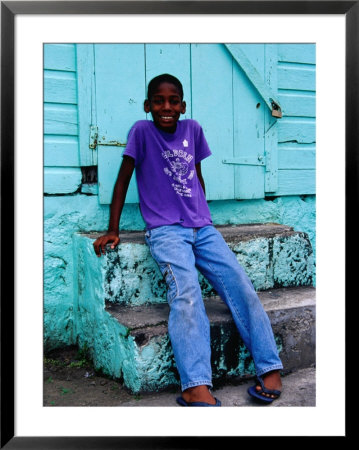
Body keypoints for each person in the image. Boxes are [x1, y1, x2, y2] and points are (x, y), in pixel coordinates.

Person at [93, 74, 283, 406]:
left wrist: (202, 214)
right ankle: (195, 384)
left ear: (182, 105)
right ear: (148, 105)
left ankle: (269, 366)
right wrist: (114, 229)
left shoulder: (193, 129)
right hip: (166, 231)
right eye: (158, 101)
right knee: (187, 293)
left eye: (173, 101)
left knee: (239, 284)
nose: (166, 107)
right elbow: (123, 180)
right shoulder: (141, 132)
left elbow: (196, 174)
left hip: (202, 227)